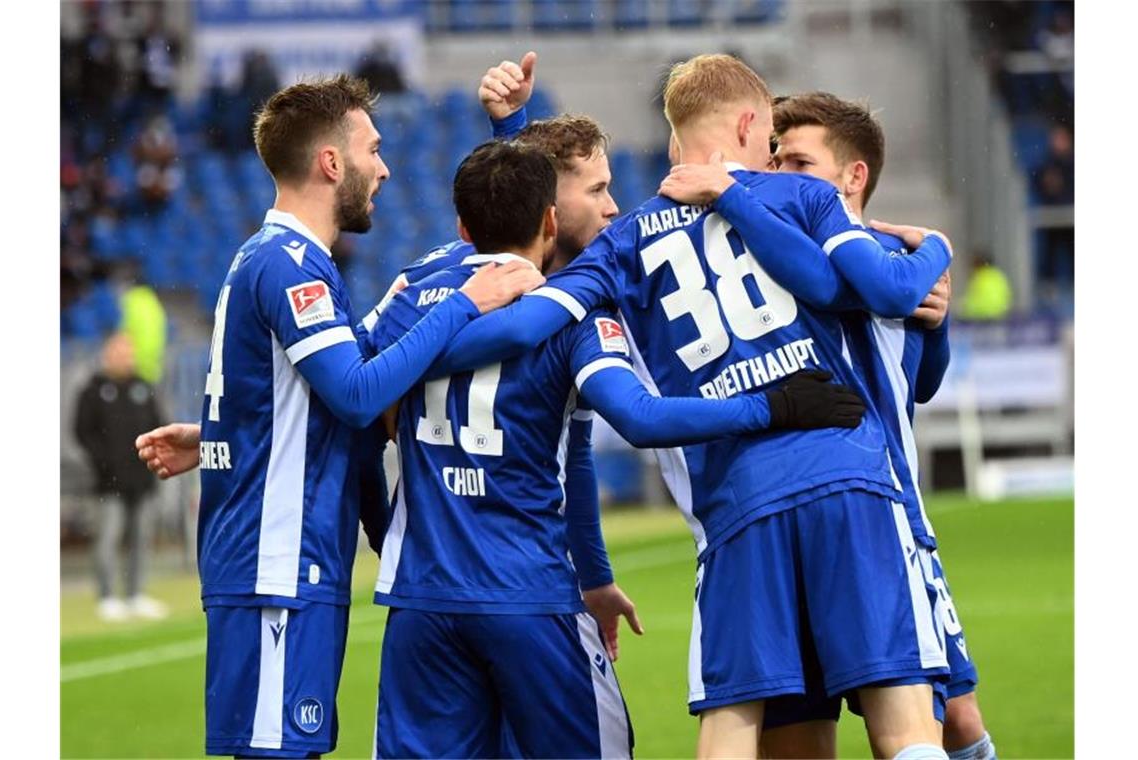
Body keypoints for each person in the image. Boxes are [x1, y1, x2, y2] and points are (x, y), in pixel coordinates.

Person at [417, 54, 955, 759]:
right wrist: (936, 252)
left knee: (748, 733)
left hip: (735, 506)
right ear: (747, 125)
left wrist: (412, 355)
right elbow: (887, 305)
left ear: (677, 143)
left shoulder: (622, 245)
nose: (775, 158)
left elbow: (532, 290)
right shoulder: (805, 200)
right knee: (909, 728)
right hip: (847, 475)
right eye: (772, 142)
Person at [365, 140, 868, 758]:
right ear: (551, 218)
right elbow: (639, 416)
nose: (610, 206)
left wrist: (377, 520)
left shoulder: (411, 292)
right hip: (530, 593)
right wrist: (772, 406)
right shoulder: (572, 311)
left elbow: (353, 397)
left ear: (464, 226)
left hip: (419, 597)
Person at [158, 74, 541, 759]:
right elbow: (359, 395)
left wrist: (224, 433)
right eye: (372, 148)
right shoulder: (290, 266)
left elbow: (301, 392)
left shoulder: (293, 263)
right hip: (276, 570)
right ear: (331, 163)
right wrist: (466, 304)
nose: (385, 166)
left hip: (294, 570)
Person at [690, 90, 994, 760]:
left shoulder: (882, 255)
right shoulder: (769, 247)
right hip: (785, 516)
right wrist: (935, 257)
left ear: (851, 177)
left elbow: (916, 379)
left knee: (958, 719)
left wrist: (934, 317)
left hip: (882, 512)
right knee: (803, 739)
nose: (777, 172)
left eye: (798, 161)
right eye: (774, 157)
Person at [75, 332, 168, 621]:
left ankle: (135, 593)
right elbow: (82, 431)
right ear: (107, 354)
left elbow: (159, 426)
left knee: (141, 538)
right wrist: (104, 462)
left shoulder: (144, 387)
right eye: (118, 351)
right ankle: (106, 596)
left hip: (142, 479)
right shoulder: (93, 390)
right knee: (108, 537)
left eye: (128, 352)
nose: (124, 357)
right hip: (107, 481)